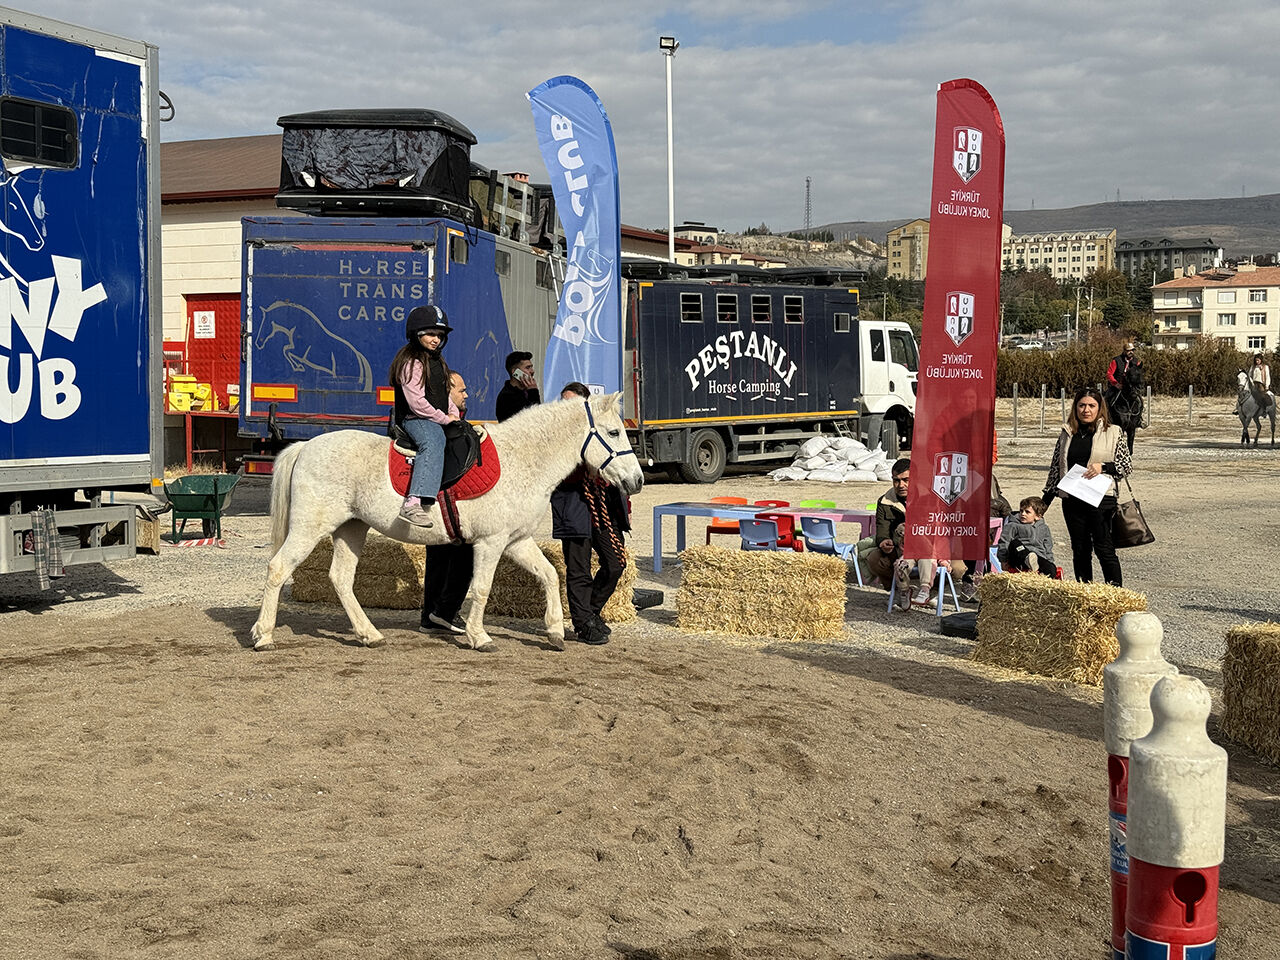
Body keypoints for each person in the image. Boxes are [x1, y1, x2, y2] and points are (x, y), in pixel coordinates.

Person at [551, 381, 629, 645]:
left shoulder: (597, 432)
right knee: (578, 569)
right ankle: (583, 623)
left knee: (616, 563)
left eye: (571, 401)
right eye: (563, 401)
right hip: (572, 502)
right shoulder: (557, 435)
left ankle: (592, 611)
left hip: (601, 502)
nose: (565, 406)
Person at [1043, 386, 1132, 586]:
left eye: (1092, 405)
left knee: (1104, 548)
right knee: (1080, 549)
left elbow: (1126, 466)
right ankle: (1085, 590)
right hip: (1073, 499)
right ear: (1075, 408)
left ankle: (1114, 593)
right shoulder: (1067, 433)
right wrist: (1044, 502)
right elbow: (1056, 469)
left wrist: (1104, 466)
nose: (1086, 410)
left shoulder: (1114, 432)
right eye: (1082, 405)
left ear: (1100, 408)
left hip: (1101, 498)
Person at [865, 457, 966, 611]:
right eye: (896, 481)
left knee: (958, 567)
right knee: (874, 559)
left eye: (906, 480)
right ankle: (900, 590)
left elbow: (945, 528)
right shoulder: (886, 501)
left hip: (933, 548)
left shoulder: (932, 497)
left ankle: (933, 590)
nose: (901, 485)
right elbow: (882, 528)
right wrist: (884, 541)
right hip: (901, 549)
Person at [389, 305, 459, 527]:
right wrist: (443, 419)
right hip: (415, 419)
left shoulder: (437, 361)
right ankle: (413, 502)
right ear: (416, 334)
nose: (436, 339)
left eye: (439, 335)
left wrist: (453, 414)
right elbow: (417, 403)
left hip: (435, 416)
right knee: (434, 440)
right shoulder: (411, 362)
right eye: (431, 334)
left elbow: (443, 393)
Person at [420, 371, 474, 635]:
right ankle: (444, 611)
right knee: (464, 553)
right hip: (447, 502)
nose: (466, 394)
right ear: (448, 391)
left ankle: (432, 616)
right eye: (461, 390)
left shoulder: (453, 420)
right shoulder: (446, 423)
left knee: (439, 558)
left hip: (442, 501)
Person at [995, 496, 1057, 576]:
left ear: (1038, 516)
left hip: (1037, 557)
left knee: (1051, 568)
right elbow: (1004, 542)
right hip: (1018, 557)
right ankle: (1028, 559)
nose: (1023, 514)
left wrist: (1049, 561)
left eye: (1027, 512)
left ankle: (1039, 574)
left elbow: (1048, 547)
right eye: (1021, 511)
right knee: (1015, 543)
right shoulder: (1013, 525)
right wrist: (1003, 561)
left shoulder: (1044, 528)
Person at [1104, 342, 1144, 453]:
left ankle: (1139, 419)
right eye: (1128, 350)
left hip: (1130, 388)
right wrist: (1116, 384)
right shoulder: (1116, 360)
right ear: (1124, 351)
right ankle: (1105, 418)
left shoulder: (1136, 362)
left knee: (1139, 401)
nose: (1131, 352)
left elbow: (1138, 374)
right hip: (1116, 386)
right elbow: (1109, 374)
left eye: (1132, 350)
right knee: (1106, 398)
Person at [495, 350, 541, 422]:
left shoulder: (525, 392)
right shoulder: (507, 396)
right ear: (515, 372)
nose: (532, 371)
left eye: (531, 367)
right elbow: (533, 418)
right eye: (527, 368)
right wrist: (533, 392)